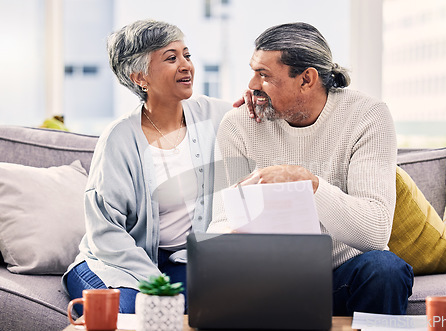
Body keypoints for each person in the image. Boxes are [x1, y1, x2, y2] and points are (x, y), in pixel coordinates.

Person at [207, 22, 414, 316]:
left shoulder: (368, 116)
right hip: (268, 278)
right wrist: (230, 239)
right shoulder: (240, 124)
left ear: (306, 79)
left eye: (264, 75)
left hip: (342, 274)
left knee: (386, 269)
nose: (252, 85)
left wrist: (308, 183)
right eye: (254, 72)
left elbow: (375, 233)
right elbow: (222, 220)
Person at [62, 19, 240, 314]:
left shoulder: (216, 115)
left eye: (187, 55)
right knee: (139, 313)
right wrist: (158, 286)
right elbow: (106, 232)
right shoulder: (119, 139)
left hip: (182, 260)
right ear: (140, 77)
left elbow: (262, 117)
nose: (186, 65)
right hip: (115, 262)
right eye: (171, 58)